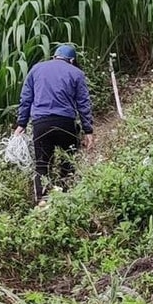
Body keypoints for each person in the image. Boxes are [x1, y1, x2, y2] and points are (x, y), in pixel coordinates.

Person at [15, 44, 94, 201]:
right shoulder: (77, 73)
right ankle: (66, 196)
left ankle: (42, 202)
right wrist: (88, 131)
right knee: (68, 162)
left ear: (54, 57)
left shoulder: (36, 69)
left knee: (42, 165)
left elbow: (26, 99)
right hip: (65, 123)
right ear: (71, 60)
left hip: (41, 124)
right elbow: (83, 103)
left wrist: (21, 124)